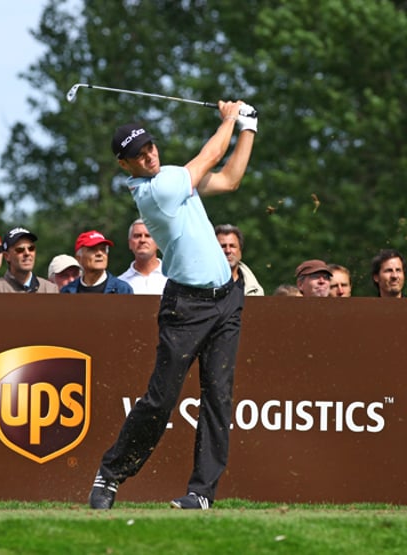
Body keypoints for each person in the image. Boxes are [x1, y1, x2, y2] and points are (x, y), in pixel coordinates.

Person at [88, 99, 257, 511]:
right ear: (124, 165)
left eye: (149, 147)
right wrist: (231, 119)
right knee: (161, 399)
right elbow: (212, 154)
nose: (148, 155)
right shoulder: (156, 189)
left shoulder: (171, 176)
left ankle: (202, 493)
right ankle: (109, 476)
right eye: (137, 155)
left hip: (226, 301)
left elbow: (230, 178)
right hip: (187, 307)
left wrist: (249, 128)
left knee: (218, 398)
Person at [0, 227, 58, 293]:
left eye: (31, 248)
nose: (27, 253)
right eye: (20, 250)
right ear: (7, 256)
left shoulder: (50, 290)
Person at [60, 230, 133, 294]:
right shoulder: (67, 292)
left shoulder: (122, 290)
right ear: (79, 258)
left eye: (103, 249)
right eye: (92, 249)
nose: (99, 253)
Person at [117, 218, 168, 295]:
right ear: (130, 243)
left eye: (148, 236)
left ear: (158, 242)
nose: (142, 240)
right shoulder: (120, 284)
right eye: (137, 236)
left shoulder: (172, 279)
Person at [214, 224, 264, 296]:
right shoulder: (201, 285)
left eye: (232, 246)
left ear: (240, 251)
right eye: (223, 246)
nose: (228, 251)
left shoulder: (255, 291)